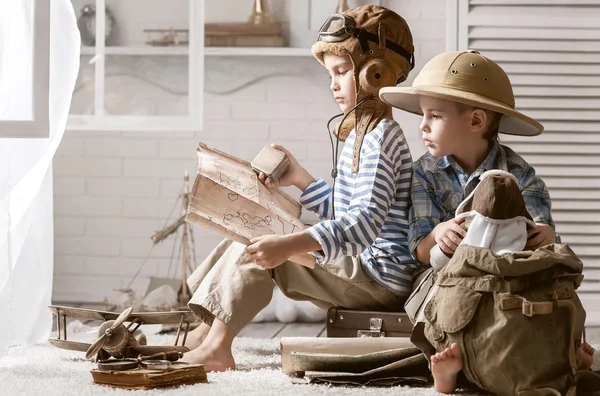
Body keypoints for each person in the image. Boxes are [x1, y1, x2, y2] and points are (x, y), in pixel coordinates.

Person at [180, 5, 417, 371]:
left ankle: (218, 347)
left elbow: (363, 225)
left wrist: (290, 243)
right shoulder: (361, 134)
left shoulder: (382, 138)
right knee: (245, 233)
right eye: (330, 75)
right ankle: (207, 330)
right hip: (363, 267)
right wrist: (300, 178)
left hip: (377, 279)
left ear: (377, 74)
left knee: (259, 245)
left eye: (342, 72)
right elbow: (346, 211)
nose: (334, 84)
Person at [378, 50, 568, 393]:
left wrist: (546, 234)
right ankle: (451, 367)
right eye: (423, 114)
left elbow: (543, 236)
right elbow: (420, 250)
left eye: (434, 115)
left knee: (542, 292)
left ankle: (559, 354)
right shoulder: (424, 173)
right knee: (437, 300)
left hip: (507, 277)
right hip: (452, 277)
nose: (422, 125)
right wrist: (437, 233)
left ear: (476, 121)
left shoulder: (519, 174)